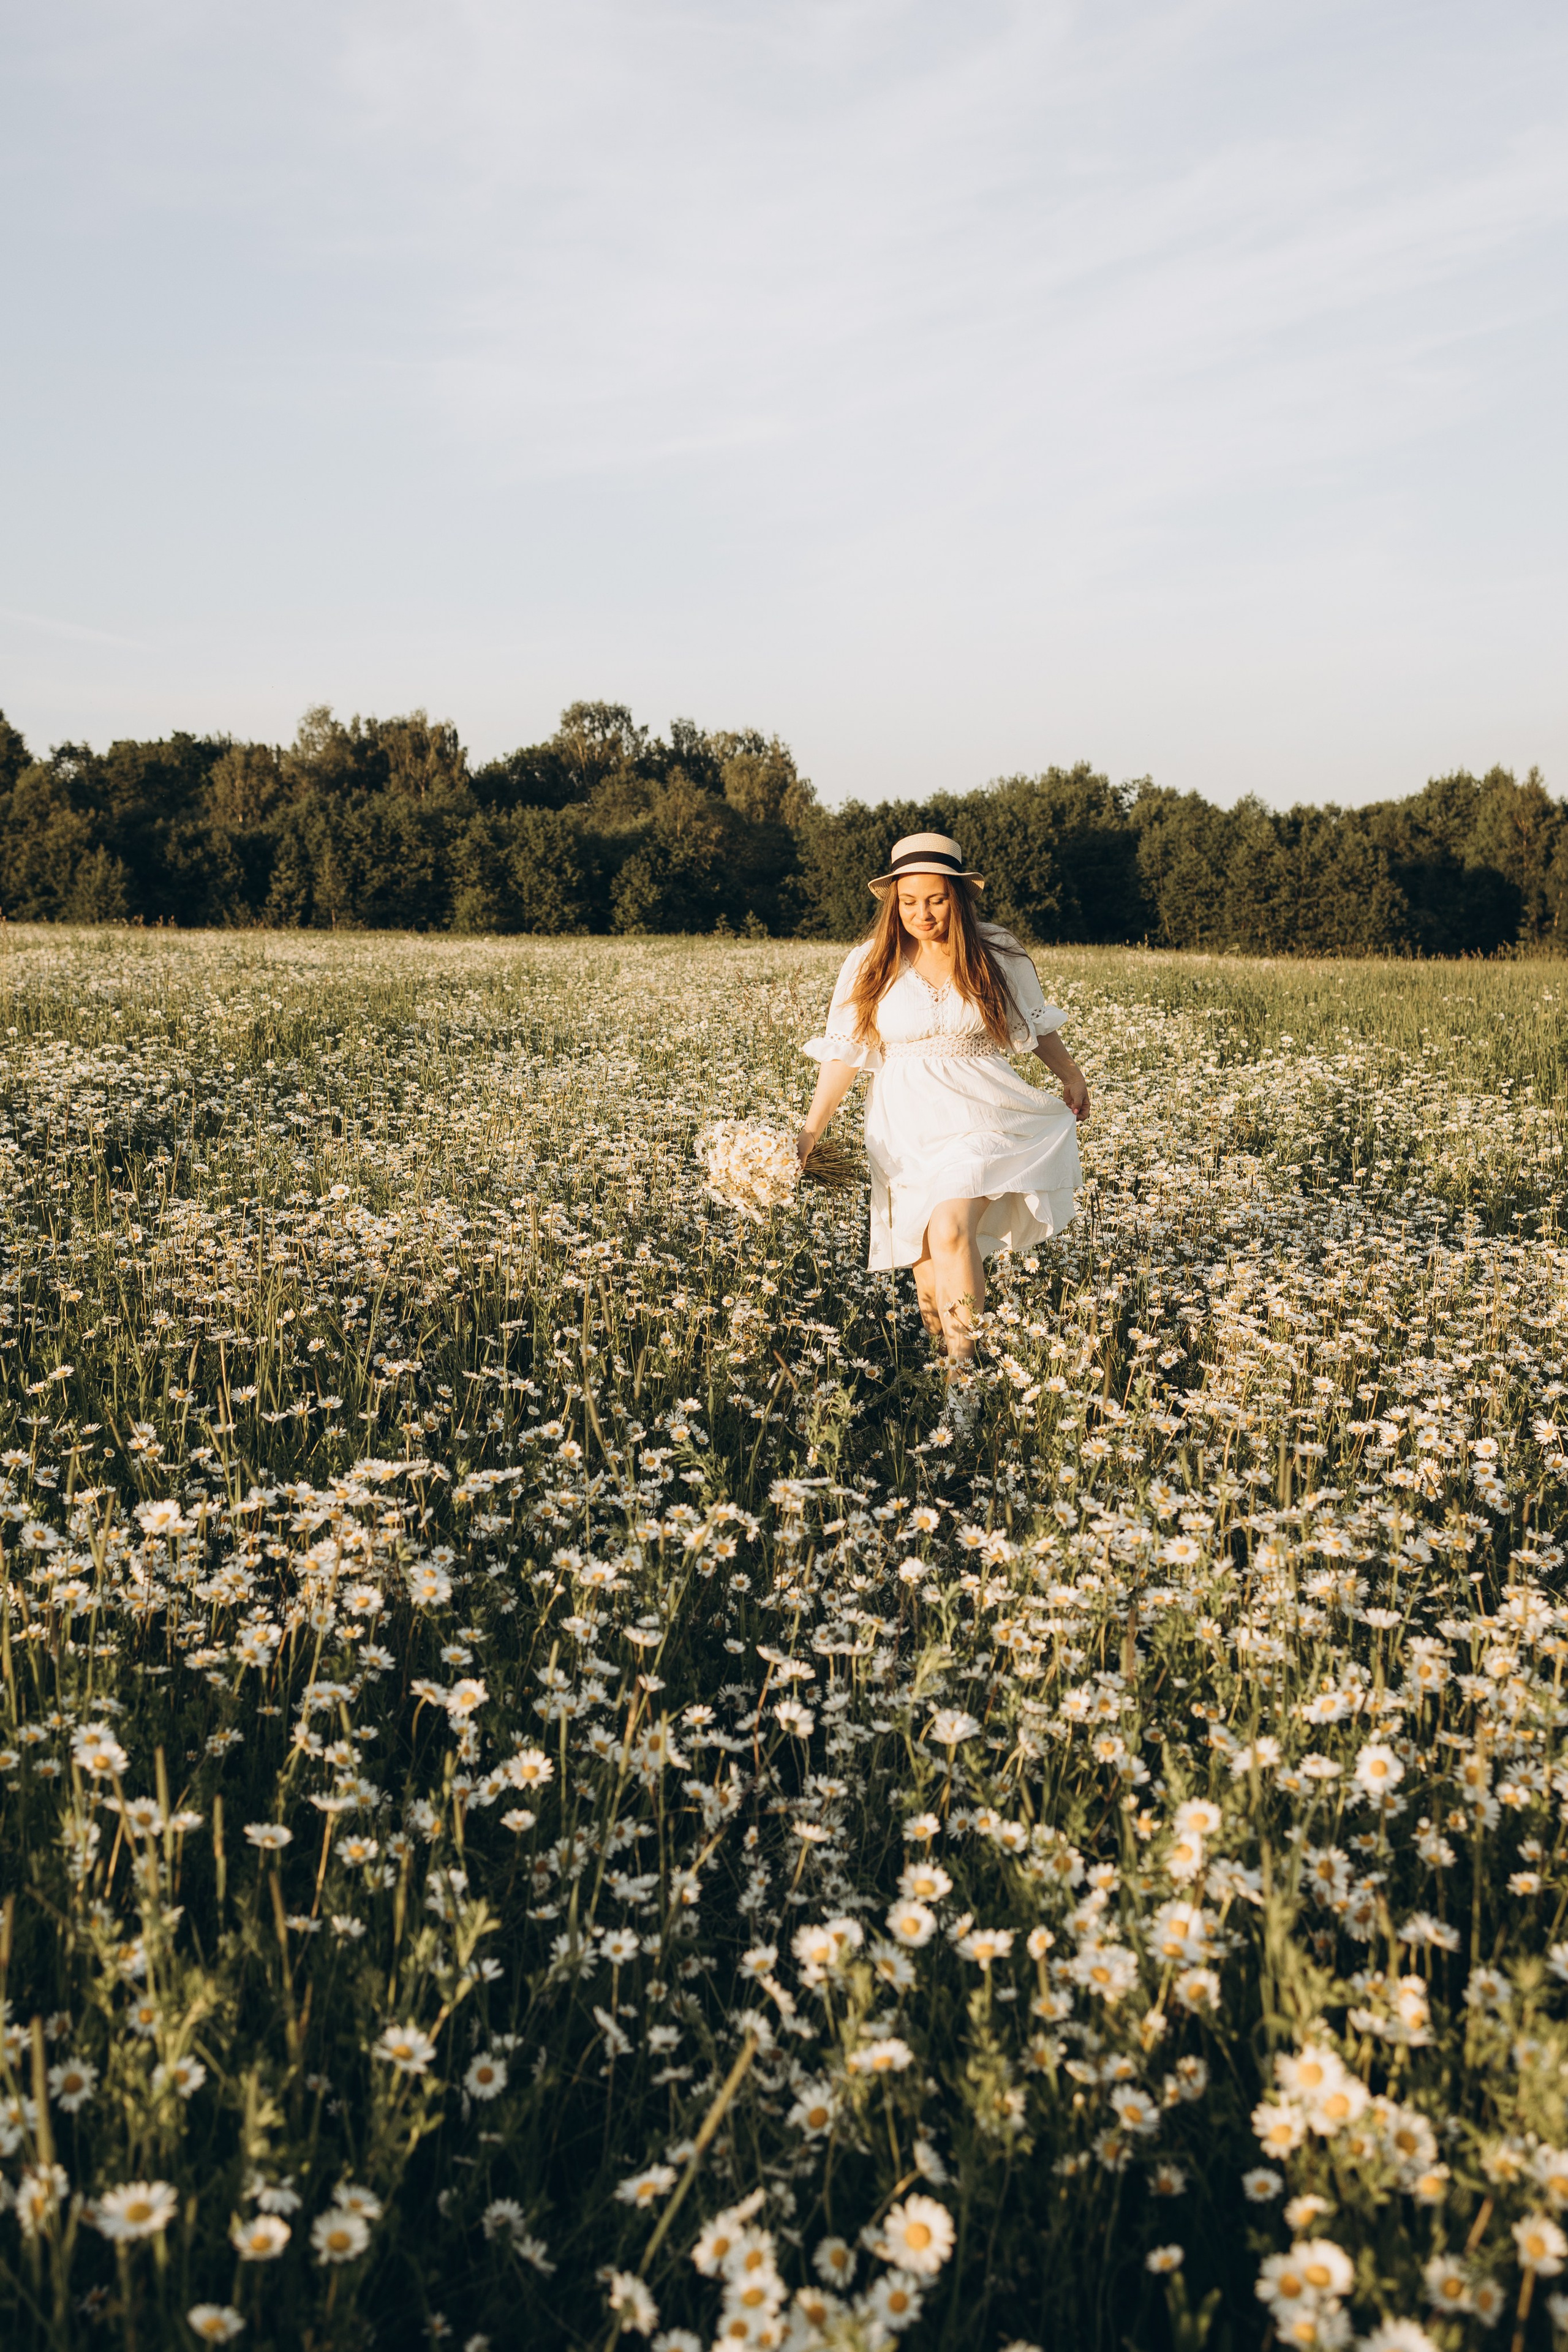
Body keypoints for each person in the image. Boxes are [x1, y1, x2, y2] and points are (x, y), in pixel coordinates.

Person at [797, 831, 1088, 1422]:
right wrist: (809, 1134)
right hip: (903, 1126)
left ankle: (965, 1389)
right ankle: (943, 1373)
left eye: (935, 899)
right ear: (893, 901)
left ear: (959, 896)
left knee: (953, 1229)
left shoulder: (996, 950)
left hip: (985, 1112)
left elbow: (1033, 1024)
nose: (921, 914)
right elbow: (844, 1055)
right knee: (928, 1265)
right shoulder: (869, 961)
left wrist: (1071, 1074)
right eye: (908, 902)